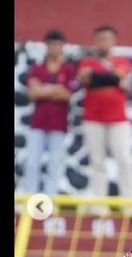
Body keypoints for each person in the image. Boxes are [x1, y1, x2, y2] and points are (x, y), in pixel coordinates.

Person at [78, 24, 132, 200]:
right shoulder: (86, 62)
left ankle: (128, 203)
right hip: (93, 119)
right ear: (95, 41)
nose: (104, 42)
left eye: (107, 39)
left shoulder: (122, 61)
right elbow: (88, 80)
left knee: (124, 160)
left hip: (118, 119)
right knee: (97, 162)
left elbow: (116, 76)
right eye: (100, 39)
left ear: (114, 41)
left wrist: (103, 78)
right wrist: (112, 79)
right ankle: (99, 204)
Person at [23, 29, 78, 195]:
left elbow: (67, 94)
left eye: (58, 45)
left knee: (54, 164)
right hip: (38, 123)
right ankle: (29, 197)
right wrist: (55, 90)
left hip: (59, 124)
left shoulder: (68, 69)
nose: (55, 48)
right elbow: (33, 93)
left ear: (62, 47)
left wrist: (44, 89)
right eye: (51, 45)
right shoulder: (38, 68)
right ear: (46, 47)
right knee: (32, 162)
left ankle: (50, 199)